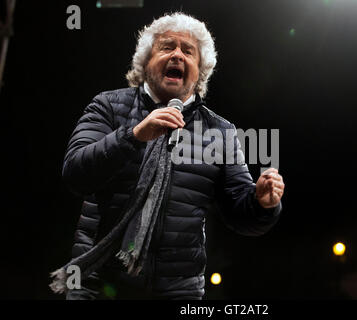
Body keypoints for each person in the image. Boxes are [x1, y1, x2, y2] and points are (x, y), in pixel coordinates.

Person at [52, 12, 284, 300]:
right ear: (145, 61)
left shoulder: (221, 131)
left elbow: (241, 216)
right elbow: (75, 174)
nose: (177, 55)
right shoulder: (107, 107)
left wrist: (262, 203)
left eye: (188, 51)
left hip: (177, 291)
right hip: (98, 285)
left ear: (200, 71)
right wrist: (133, 136)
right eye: (167, 47)